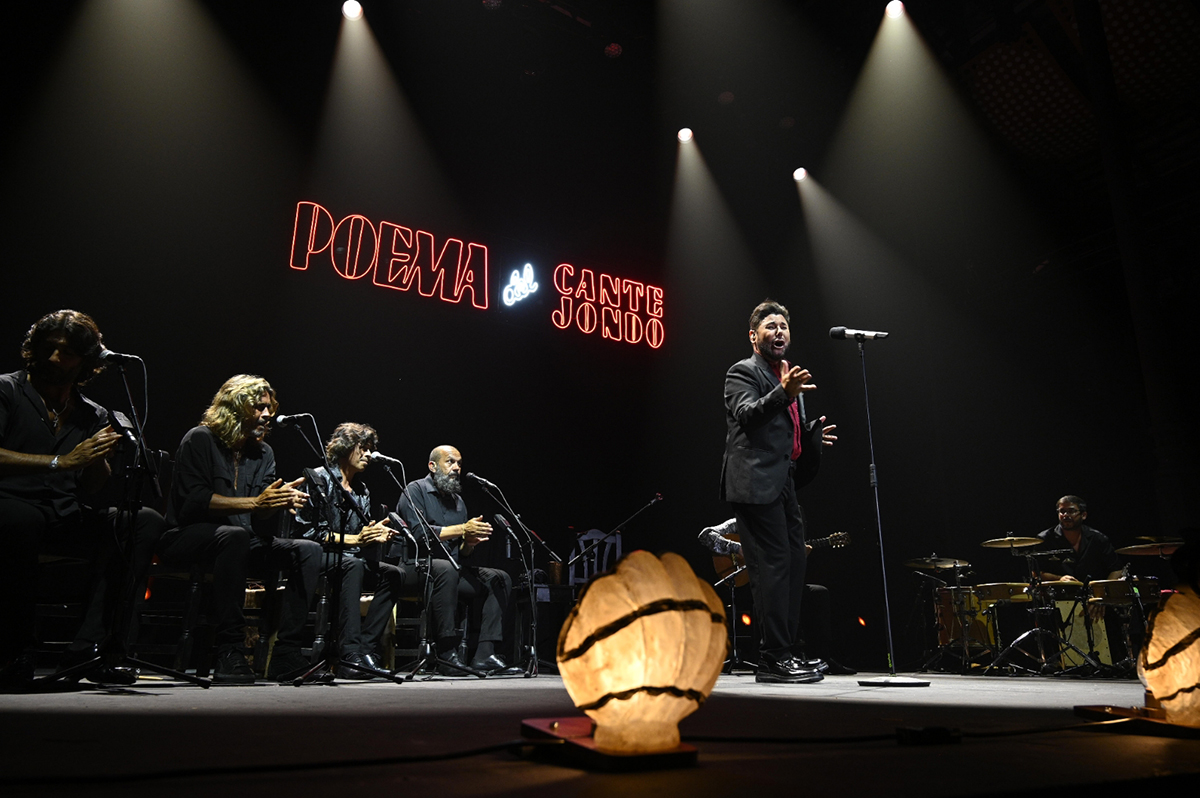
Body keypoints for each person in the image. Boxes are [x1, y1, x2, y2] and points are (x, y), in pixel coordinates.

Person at [0, 310, 161, 689]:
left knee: (143, 521)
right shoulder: (6, 390)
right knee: (23, 520)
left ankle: (91, 649)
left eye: (68, 352)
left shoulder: (92, 413)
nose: (54, 358)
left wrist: (98, 458)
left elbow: (91, 486)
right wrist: (62, 461)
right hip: (9, 505)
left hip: (61, 513)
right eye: (48, 348)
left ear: (86, 361)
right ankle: (14, 651)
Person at [159, 375, 316, 684]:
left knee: (307, 550)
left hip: (240, 541)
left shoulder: (263, 453)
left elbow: (258, 514)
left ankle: (285, 654)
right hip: (187, 536)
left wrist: (276, 501)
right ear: (234, 408)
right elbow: (195, 502)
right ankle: (229, 649)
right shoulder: (199, 439)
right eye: (259, 407)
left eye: (269, 408)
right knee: (234, 536)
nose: (268, 414)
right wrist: (257, 502)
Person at [720, 299, 837, 684]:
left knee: (793, 564)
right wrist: (784, 392)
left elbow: (790, 433)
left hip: (783, 482)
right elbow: (748, 414)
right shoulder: (742, 372)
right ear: (754, 336)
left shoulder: (789, 377)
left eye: (784, 326)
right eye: (770, 326)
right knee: (770, 568)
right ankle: (773, 658)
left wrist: (813, 436)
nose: (779, 331)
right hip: (753, 482)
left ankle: (787, 650)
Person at [292, 422, 455, 679]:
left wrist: (375, 533)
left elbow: (360, 537)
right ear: (346, 448)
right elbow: (310, 534)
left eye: (371, 450)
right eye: (364, 449)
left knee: (394, 573)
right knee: (354, 566)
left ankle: (365, 649)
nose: (369, 455)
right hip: (317, 556)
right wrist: (358, 538)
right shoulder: (317, 478)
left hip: (350, 560)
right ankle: (349, 654)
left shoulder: (361, 490)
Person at [396, 445, 518, 676]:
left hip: (450, 569)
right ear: (432, 466)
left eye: (459, 464)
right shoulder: (415, 490)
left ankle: (485, 654)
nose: (456, 468)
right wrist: (462, 528)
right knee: (446, 570)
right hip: (416, 567)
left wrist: (470, 542)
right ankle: (446, 651)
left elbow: (462, 554)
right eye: (450, 462)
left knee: (499, 578)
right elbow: (420, 535)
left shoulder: (458, 502)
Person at [1037, 496, 1123, 585]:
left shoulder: (1098, 539)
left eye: (1071, 511)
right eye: (1062, 511)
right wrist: (1059, 579)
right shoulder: (1045, 539)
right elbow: (1036, 573)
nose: (1065, 515)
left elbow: (1116, 569)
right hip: (1058, 593)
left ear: (1084, 515)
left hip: (1092, 594)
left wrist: (1104, 589)